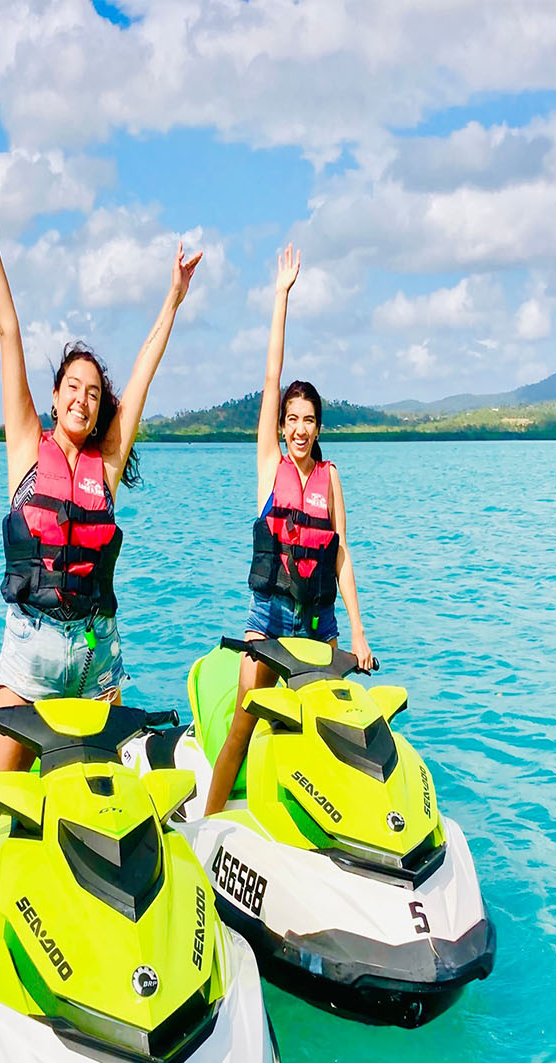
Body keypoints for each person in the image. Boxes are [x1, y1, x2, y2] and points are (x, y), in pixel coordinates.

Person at [0, 151, 202, 938]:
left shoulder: (108, 464)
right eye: (73, 389)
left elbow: (150, 366)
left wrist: (172, 300)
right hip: (27, 659)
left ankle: (97, 936)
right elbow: (7, 326)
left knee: (104, 811)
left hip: (98, 662)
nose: (84, 400)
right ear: (55, 398)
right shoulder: (26, 446)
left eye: (96, 393)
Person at [203, 244, 373, 816]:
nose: (299, 429)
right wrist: (280, 297)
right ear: (281, 423)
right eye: (291, 419)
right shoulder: (269, 466)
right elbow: (271, 373)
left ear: (320, 426)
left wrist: (358, 633)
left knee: (329, 733)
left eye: (308, 420)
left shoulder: (331, 477)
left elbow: (342, 555)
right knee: (245, 722)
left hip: (319, 625)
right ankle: (209, 822)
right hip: (268, 620)